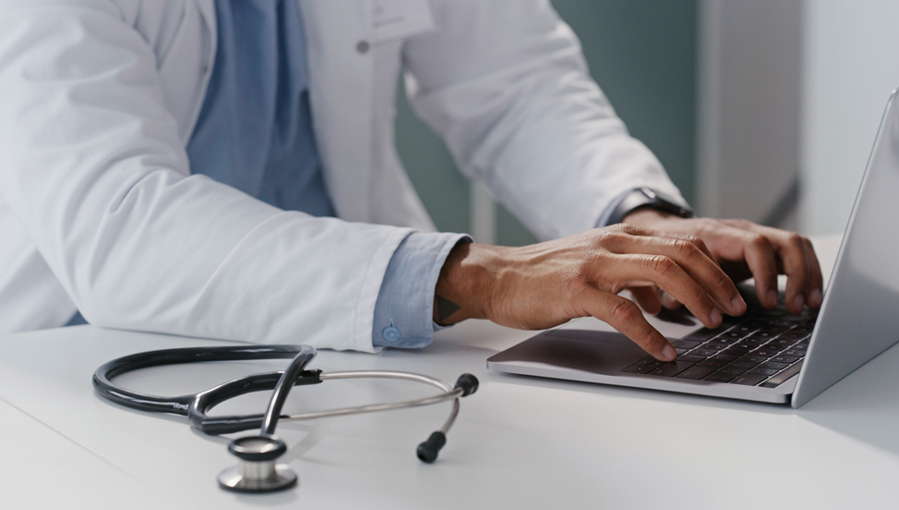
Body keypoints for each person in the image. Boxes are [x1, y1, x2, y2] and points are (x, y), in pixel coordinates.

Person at [0, 0, 821, 362]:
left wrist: (637, 219)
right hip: (85, 360)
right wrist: (479, 275)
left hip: (350, 348)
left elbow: (515, 79)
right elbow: (120, 224)